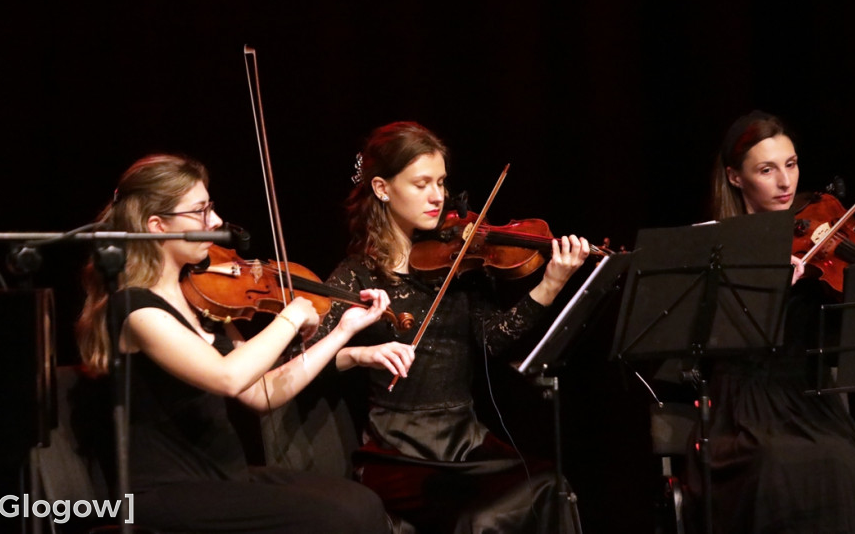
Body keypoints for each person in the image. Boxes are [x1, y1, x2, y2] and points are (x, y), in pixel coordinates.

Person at [75, 153, 415, 533]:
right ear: (158, 226)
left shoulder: (201, 300)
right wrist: (291, 316)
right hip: (167, 492)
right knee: (334, 519)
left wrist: (342, 332)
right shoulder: (134, 308)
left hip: (225, 477)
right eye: (200, 211)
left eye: (212, 207)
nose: (216, 222)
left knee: (362, 501)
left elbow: (261, 393)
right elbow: (227, 377)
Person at [313, 121, 591, 534]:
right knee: (476, 518)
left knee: (552, 485)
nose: (438, 196)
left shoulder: (459, 265)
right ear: (382, 188)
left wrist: (551, 285)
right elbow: (306, 358)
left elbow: (492, 339)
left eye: (441, 182)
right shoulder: (357, 276)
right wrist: (359, 353)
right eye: (422, 183)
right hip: (396, 450)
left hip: (465, 439)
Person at [683, 110, 855, 533]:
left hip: (811, 400)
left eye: (791, 164)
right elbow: (701, 345)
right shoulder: (716, 244)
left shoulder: (817, 229)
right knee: (785, 468)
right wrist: (764, 280)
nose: (786, 182)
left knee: (850, 471)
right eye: (767, 170)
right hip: (743, 408)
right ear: (736, 178)